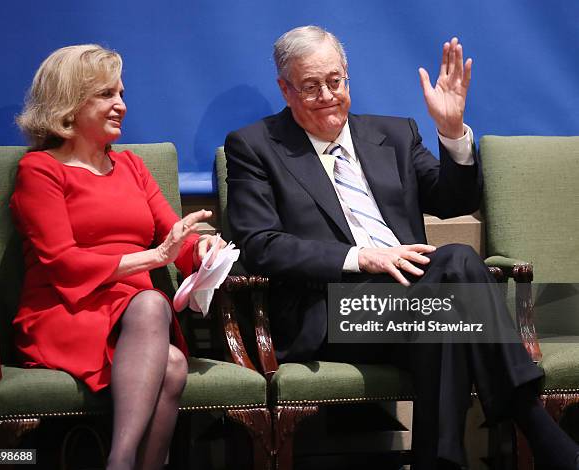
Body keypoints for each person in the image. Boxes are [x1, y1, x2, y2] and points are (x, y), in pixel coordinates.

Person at [225, 26, 579, 469]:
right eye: (310, 86)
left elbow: (453, 201)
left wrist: (452, 134)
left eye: (335, 82)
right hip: (331, 311)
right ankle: (534, 420)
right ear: (285, 88)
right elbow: (260, 245)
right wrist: (360, 257)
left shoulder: (393, 134)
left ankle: (441, 460)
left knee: (447, 305)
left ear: (348, 77)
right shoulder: (255, 147)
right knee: (456, 266)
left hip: (418, 300)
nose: (327, 95)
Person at [12, 44, 222, 470]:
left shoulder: (131, 167)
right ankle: (121, 462)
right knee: (151, 308)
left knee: (175, 361)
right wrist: (154, 258)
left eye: (122, 94)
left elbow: (174, 236)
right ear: (69, 104)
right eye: (106, 95)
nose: (121, 106)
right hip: (65, 310)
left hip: (136, 318)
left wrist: (201, 248)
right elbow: (63, 264)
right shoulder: (40, 170)